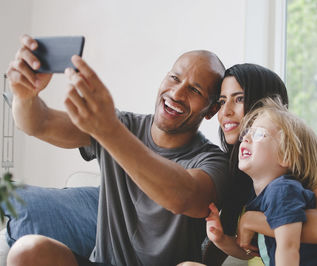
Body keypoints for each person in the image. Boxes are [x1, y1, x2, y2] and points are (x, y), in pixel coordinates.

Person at [6, 34, 230, 266]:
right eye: (174, 78)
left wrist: (109, 132)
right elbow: (38, 123)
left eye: (194, 90)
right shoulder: (119, 125)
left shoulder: (214, 161)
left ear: (211, 110)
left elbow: (182, 197)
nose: (177, 93)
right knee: (27, 251)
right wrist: (25, 94)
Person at [202, 64, 317, 266]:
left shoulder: (306, 160)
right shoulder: (237, 167)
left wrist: (252, 220)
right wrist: (220, 239)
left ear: (266, 103)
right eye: (221, 101)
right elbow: (254, 250)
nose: (225, 111)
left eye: (239, 98)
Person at [206, 97, 317, 265]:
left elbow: (288, 248)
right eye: (247, 133)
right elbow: (253, 251)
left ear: (285, 156)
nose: (246, 138)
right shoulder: (258, 199)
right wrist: (221, 239)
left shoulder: (282, 191)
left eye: (258, 134)